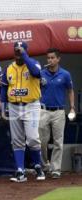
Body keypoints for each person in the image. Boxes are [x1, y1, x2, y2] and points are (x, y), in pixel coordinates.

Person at [0, 41, 45, 182]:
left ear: (25, 51)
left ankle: (38, 166)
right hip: (14, 106)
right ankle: (20, 171)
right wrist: (2, 109)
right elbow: (3, 90)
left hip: (30, 105)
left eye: (20, 51)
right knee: (17, 141)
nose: (17, 53)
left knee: (32, 139)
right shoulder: (9, 68)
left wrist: (24, 55)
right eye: (16, 51)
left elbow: (37, 73)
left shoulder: (34, 63)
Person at [39, 48, 75, 178]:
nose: (50, 60)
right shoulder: (41, 74)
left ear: (58, 59)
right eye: (48, 58)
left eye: (52, 58)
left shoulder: (65, 74)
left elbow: (70, 90)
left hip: (59, 111)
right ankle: (44, 166)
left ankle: (56, 169)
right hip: (43, 110)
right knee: (41, 141)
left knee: (58, 142)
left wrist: (72, 107)